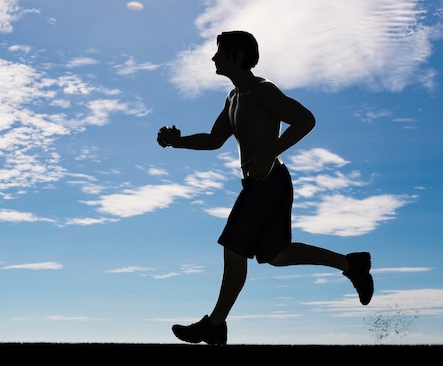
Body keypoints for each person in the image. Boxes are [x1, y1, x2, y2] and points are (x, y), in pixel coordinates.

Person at [157, 30, 373, 346]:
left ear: (238, 56)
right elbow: (214, 140)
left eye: (220, 52)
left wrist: (270, 151)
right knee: (277, 255)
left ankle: (215, 325)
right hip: (262, 184)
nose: (214, 58)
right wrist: (177, 142)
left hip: (269, 183)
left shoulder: (262, 91)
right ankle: (351, 264)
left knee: (233, 249)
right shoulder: (233, 98)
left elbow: (305, 119)